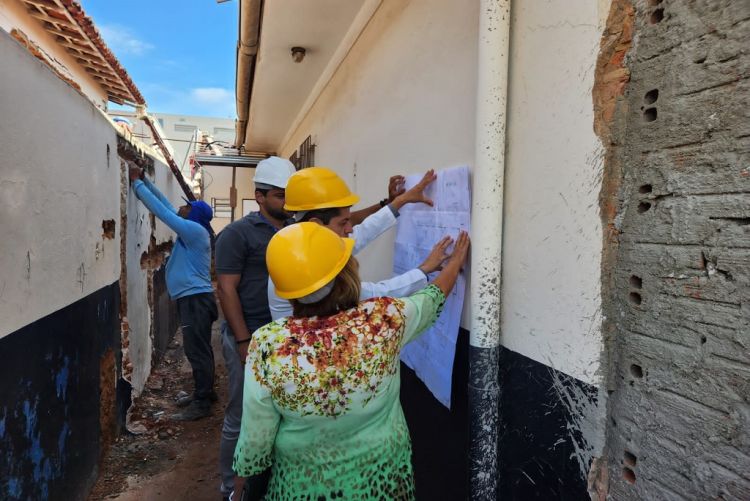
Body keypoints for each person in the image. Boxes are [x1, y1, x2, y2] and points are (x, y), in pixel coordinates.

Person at [233, 223, 470, 500]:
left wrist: (241, 488)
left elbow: (256, 439)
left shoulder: (268, 343)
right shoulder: (383, 320)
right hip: (384, 484)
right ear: (346, 274)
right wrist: (454, 263)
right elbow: (433, 297)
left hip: (302, 488)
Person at [214, 156, 296, 500]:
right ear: (259, 195)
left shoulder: (295, 228)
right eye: (279, 195)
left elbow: (339, 222)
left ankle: (263, 479)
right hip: (248, 335)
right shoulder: (237, 234)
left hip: (285, 335)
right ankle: (230, 486)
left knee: (278, 411)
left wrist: (389, 205)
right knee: (241, 412)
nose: (286, 203)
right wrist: (244, 340)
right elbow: (226, 288)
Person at [268, 166, 440, 320]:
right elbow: (375, 292)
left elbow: (363, 232)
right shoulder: (303, 266)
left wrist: (398, 202)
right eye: (343, 223)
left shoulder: (302, 245)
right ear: (316, 224)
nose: (350, 229)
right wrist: (424, 270)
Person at [128, 166, 218, 421]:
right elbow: (167, 205)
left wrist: (137, 185)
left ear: (193, 214)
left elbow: (163, 212)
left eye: (187, 206)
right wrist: (146, 180)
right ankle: (205, 393)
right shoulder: (192, 231)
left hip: (196, 301)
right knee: (201, 349)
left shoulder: (195, 231)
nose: (182, 207)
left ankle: (201, 403)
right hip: (195, 299)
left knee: (196, 351)